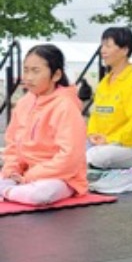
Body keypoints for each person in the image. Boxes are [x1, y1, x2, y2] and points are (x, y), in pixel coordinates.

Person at [0, 45, 88, 205]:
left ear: (56, 75)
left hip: (61, 177)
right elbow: (12, 144)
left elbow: (69, 158)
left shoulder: (65, 106)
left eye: (35, 71)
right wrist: (11, 170)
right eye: (26, 70)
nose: (28, 77)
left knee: (41, 194)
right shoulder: (24, 103)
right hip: (24, 174)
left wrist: (30, 176)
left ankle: (7, 191)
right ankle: (13, 190)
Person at [86, 27, 132, 169]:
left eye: (108, 46)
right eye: (102, 45)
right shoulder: (104, 82)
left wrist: (111, 140)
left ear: (124, 50)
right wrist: (93, 135)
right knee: (72, 147)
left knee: (98, 156)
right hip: (103, 144)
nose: (103, 50)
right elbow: (95, 115)